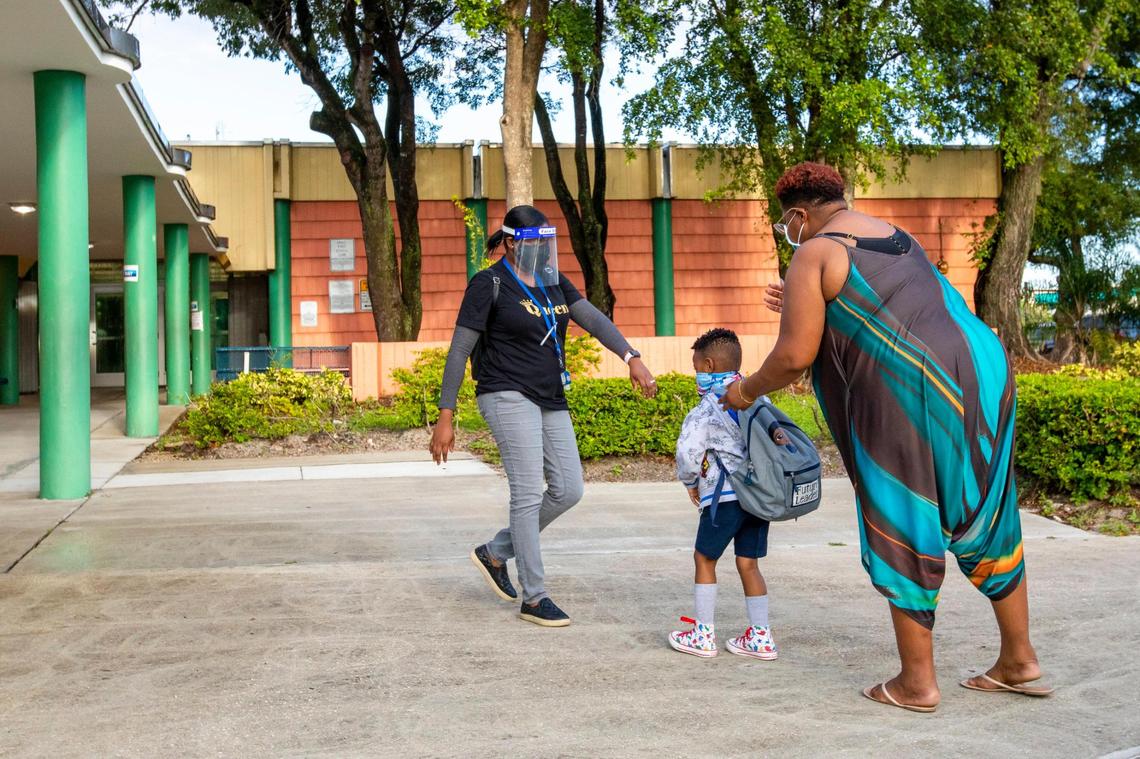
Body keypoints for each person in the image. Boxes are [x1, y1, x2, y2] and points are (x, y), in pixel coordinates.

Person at [722, 162, 1050, 712]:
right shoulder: (893, 233)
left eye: (786, 225)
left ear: (799, 215)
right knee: (988, 510)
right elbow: (894, 305)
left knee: (904, 508)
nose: (789, 234)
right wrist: (803, 301)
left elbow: (794, 357)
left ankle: (917, 684)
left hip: (911, 381)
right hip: (982, 368)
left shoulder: (814, 251)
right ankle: (1020, 662)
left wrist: (745, 392)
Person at [430, 204, 657, 628]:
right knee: (528, 491)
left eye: (547, 241)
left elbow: (590, 317)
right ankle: (534, 597)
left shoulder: (553, 280)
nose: (543, 249)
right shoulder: (489, 283)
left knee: (569, 489)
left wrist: (631, 356)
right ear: (513, 243)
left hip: (550, 395)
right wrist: (447, 414)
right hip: (505, 392)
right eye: (534, 242)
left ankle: (496, 552)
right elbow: (459, 350)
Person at [669, 328, 777, 661]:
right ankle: (761, 637)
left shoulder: (705, 410)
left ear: (710, 364)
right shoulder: (760, 400)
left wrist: (690, 483)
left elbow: (688, 453)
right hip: (758, 497)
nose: (696, 374)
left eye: (697, 367)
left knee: (705, 559)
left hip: (724, 497)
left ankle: (703, 634)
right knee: (748, 562)